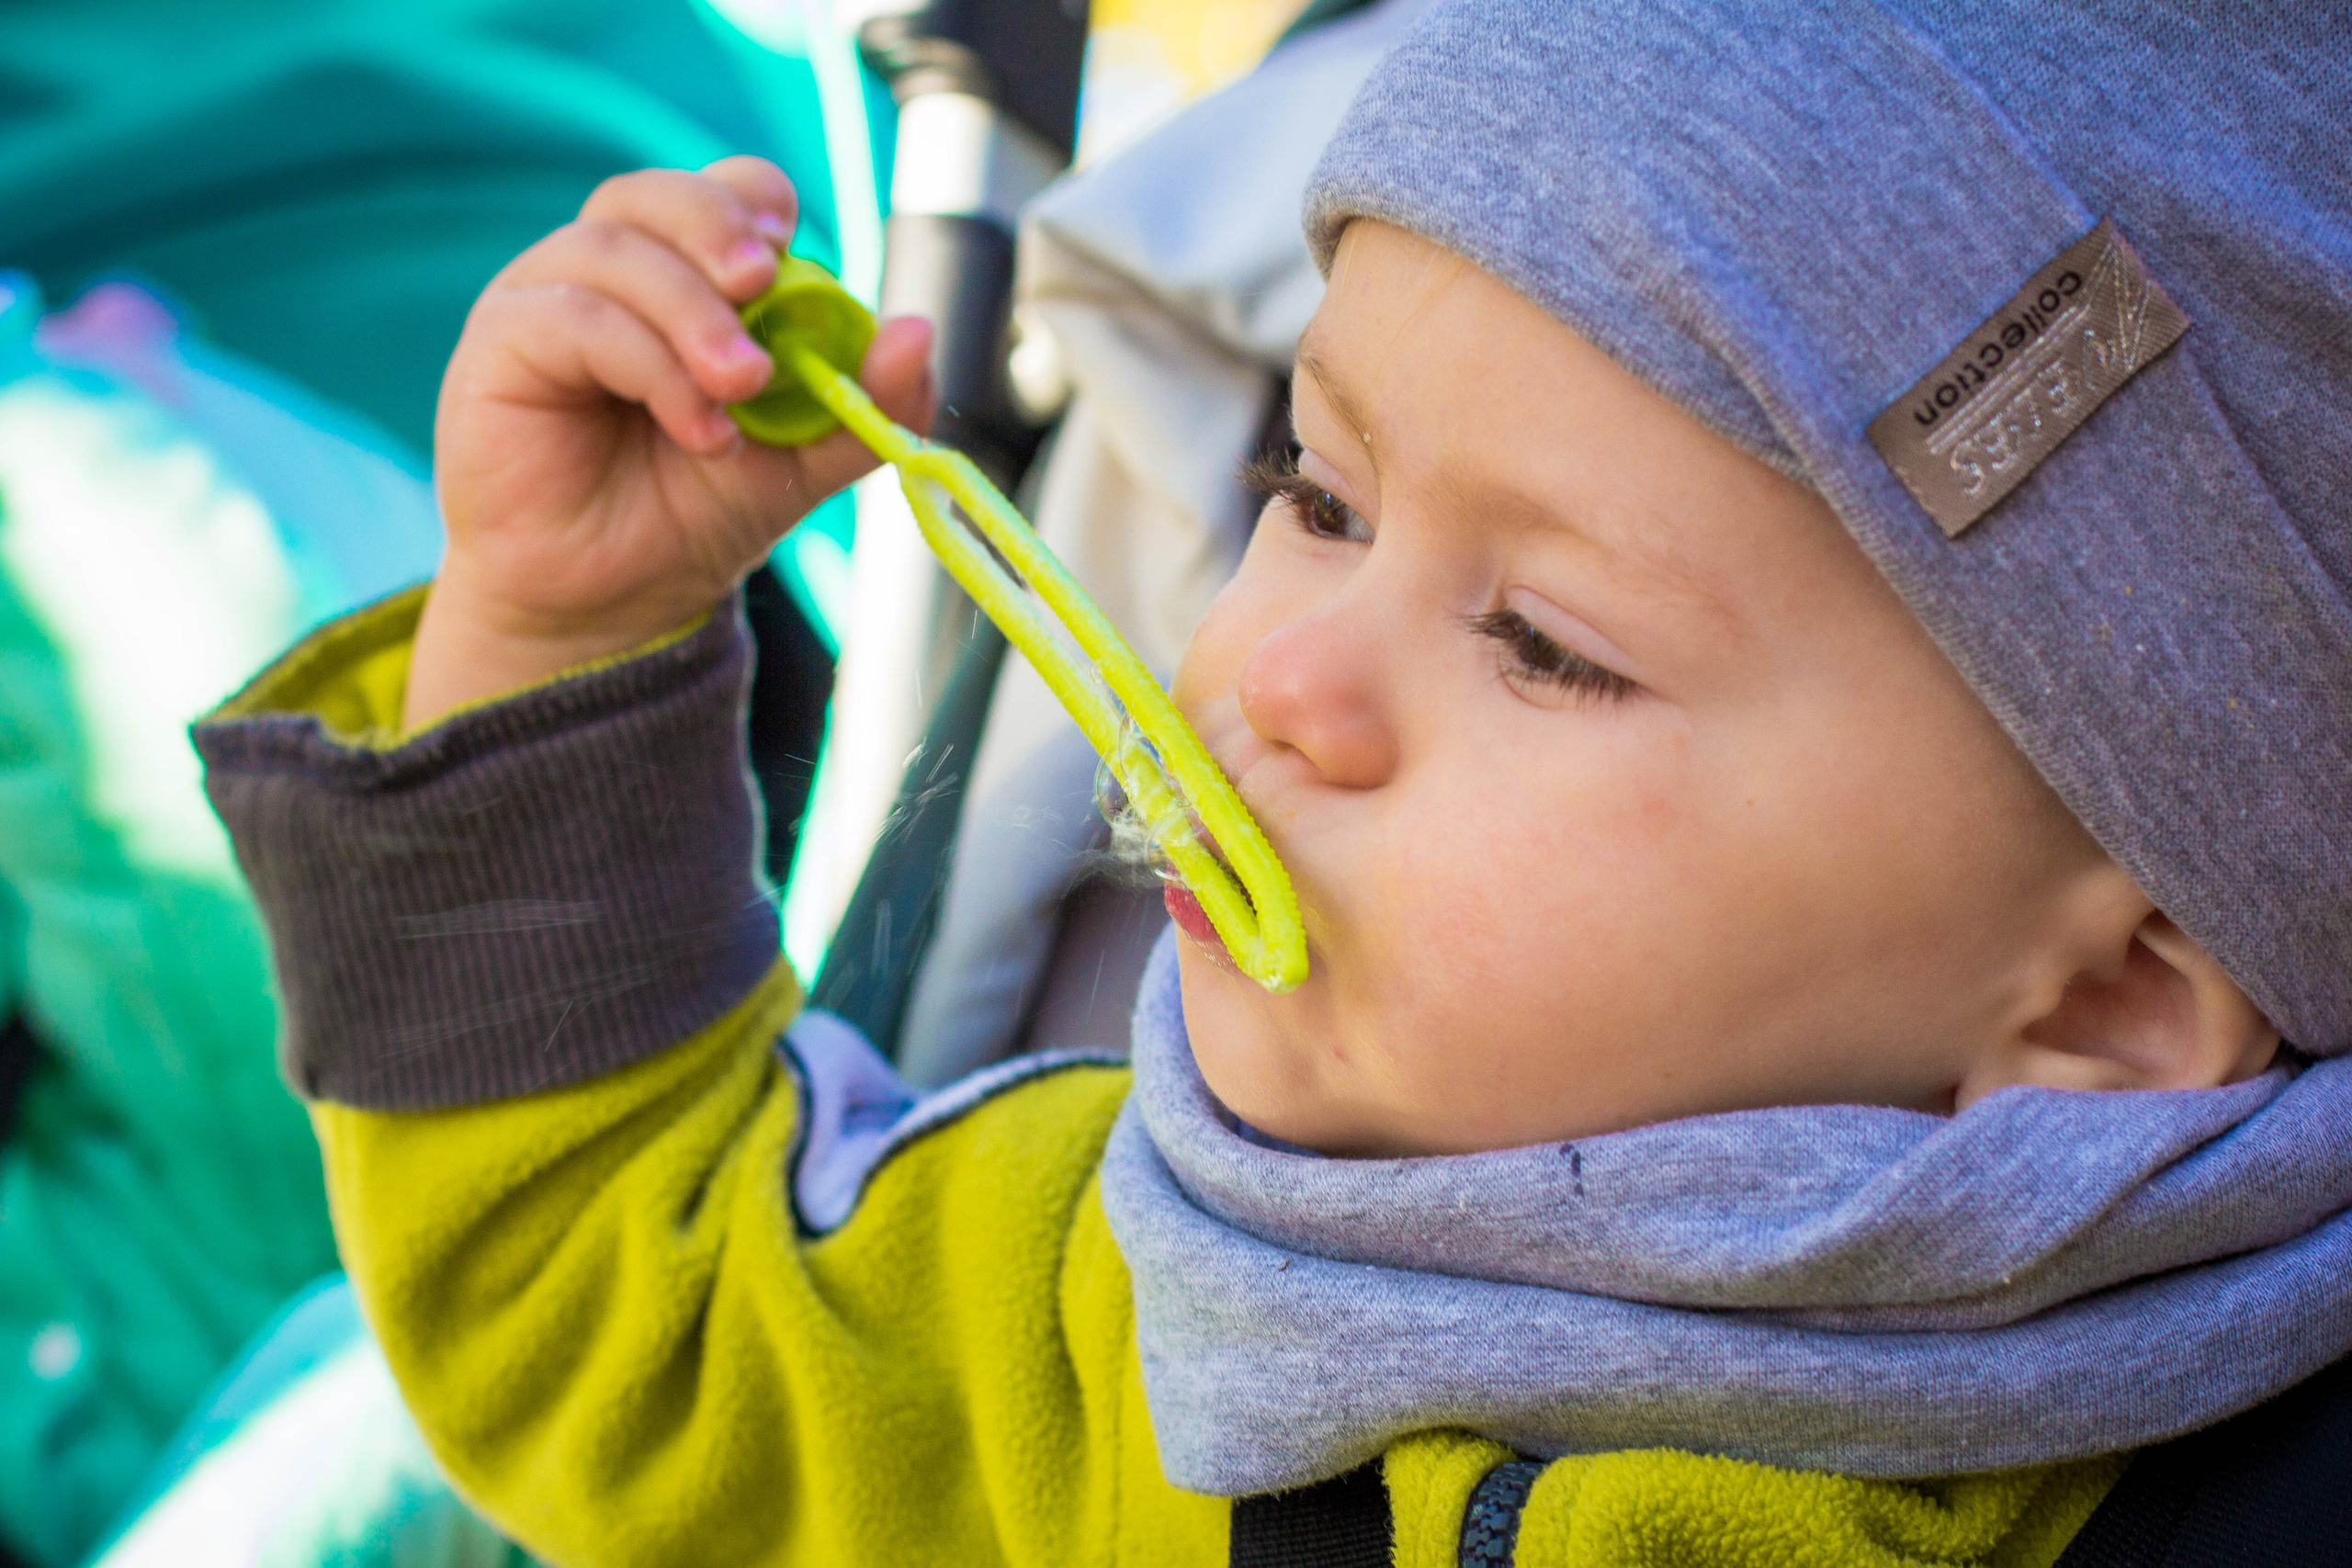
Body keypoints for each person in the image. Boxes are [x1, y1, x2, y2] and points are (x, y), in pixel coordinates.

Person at [193, 0, 2351, 1562]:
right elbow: (634, 1310)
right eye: (1314, 496)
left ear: (2100, 1001)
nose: (1277, 676)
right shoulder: (1116, 1311)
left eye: (1542, 643)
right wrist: (557, 637)